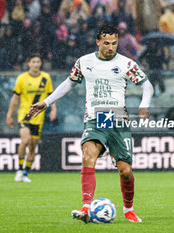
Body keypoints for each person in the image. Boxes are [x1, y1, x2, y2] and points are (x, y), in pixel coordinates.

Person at [27, 25, 154, 223]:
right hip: (96, 117)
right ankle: (86, 206)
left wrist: (144, 106)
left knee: (126, 171)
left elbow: (147, 85)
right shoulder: (84, 62)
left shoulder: (126, 63)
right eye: (106, 43)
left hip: (118, 119)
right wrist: (47, 102)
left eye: (114, 43)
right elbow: (69, 83)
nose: (111, 47)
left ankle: (128, 208)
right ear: (97, 42)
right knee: (89, 155)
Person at [6, 53, 57, 183]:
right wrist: (9, 115)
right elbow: (15, 98)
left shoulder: (46, 78)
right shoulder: (22, 78)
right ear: (29, 64)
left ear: (40, 64)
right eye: (33, 62)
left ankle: (25, 173)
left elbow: (51, 96)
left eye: (38, 62)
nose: (35, 64)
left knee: (33, 147)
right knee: (26, 139)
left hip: (38, 118)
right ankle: (18, 170)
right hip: (25, 115)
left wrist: (53, 110)